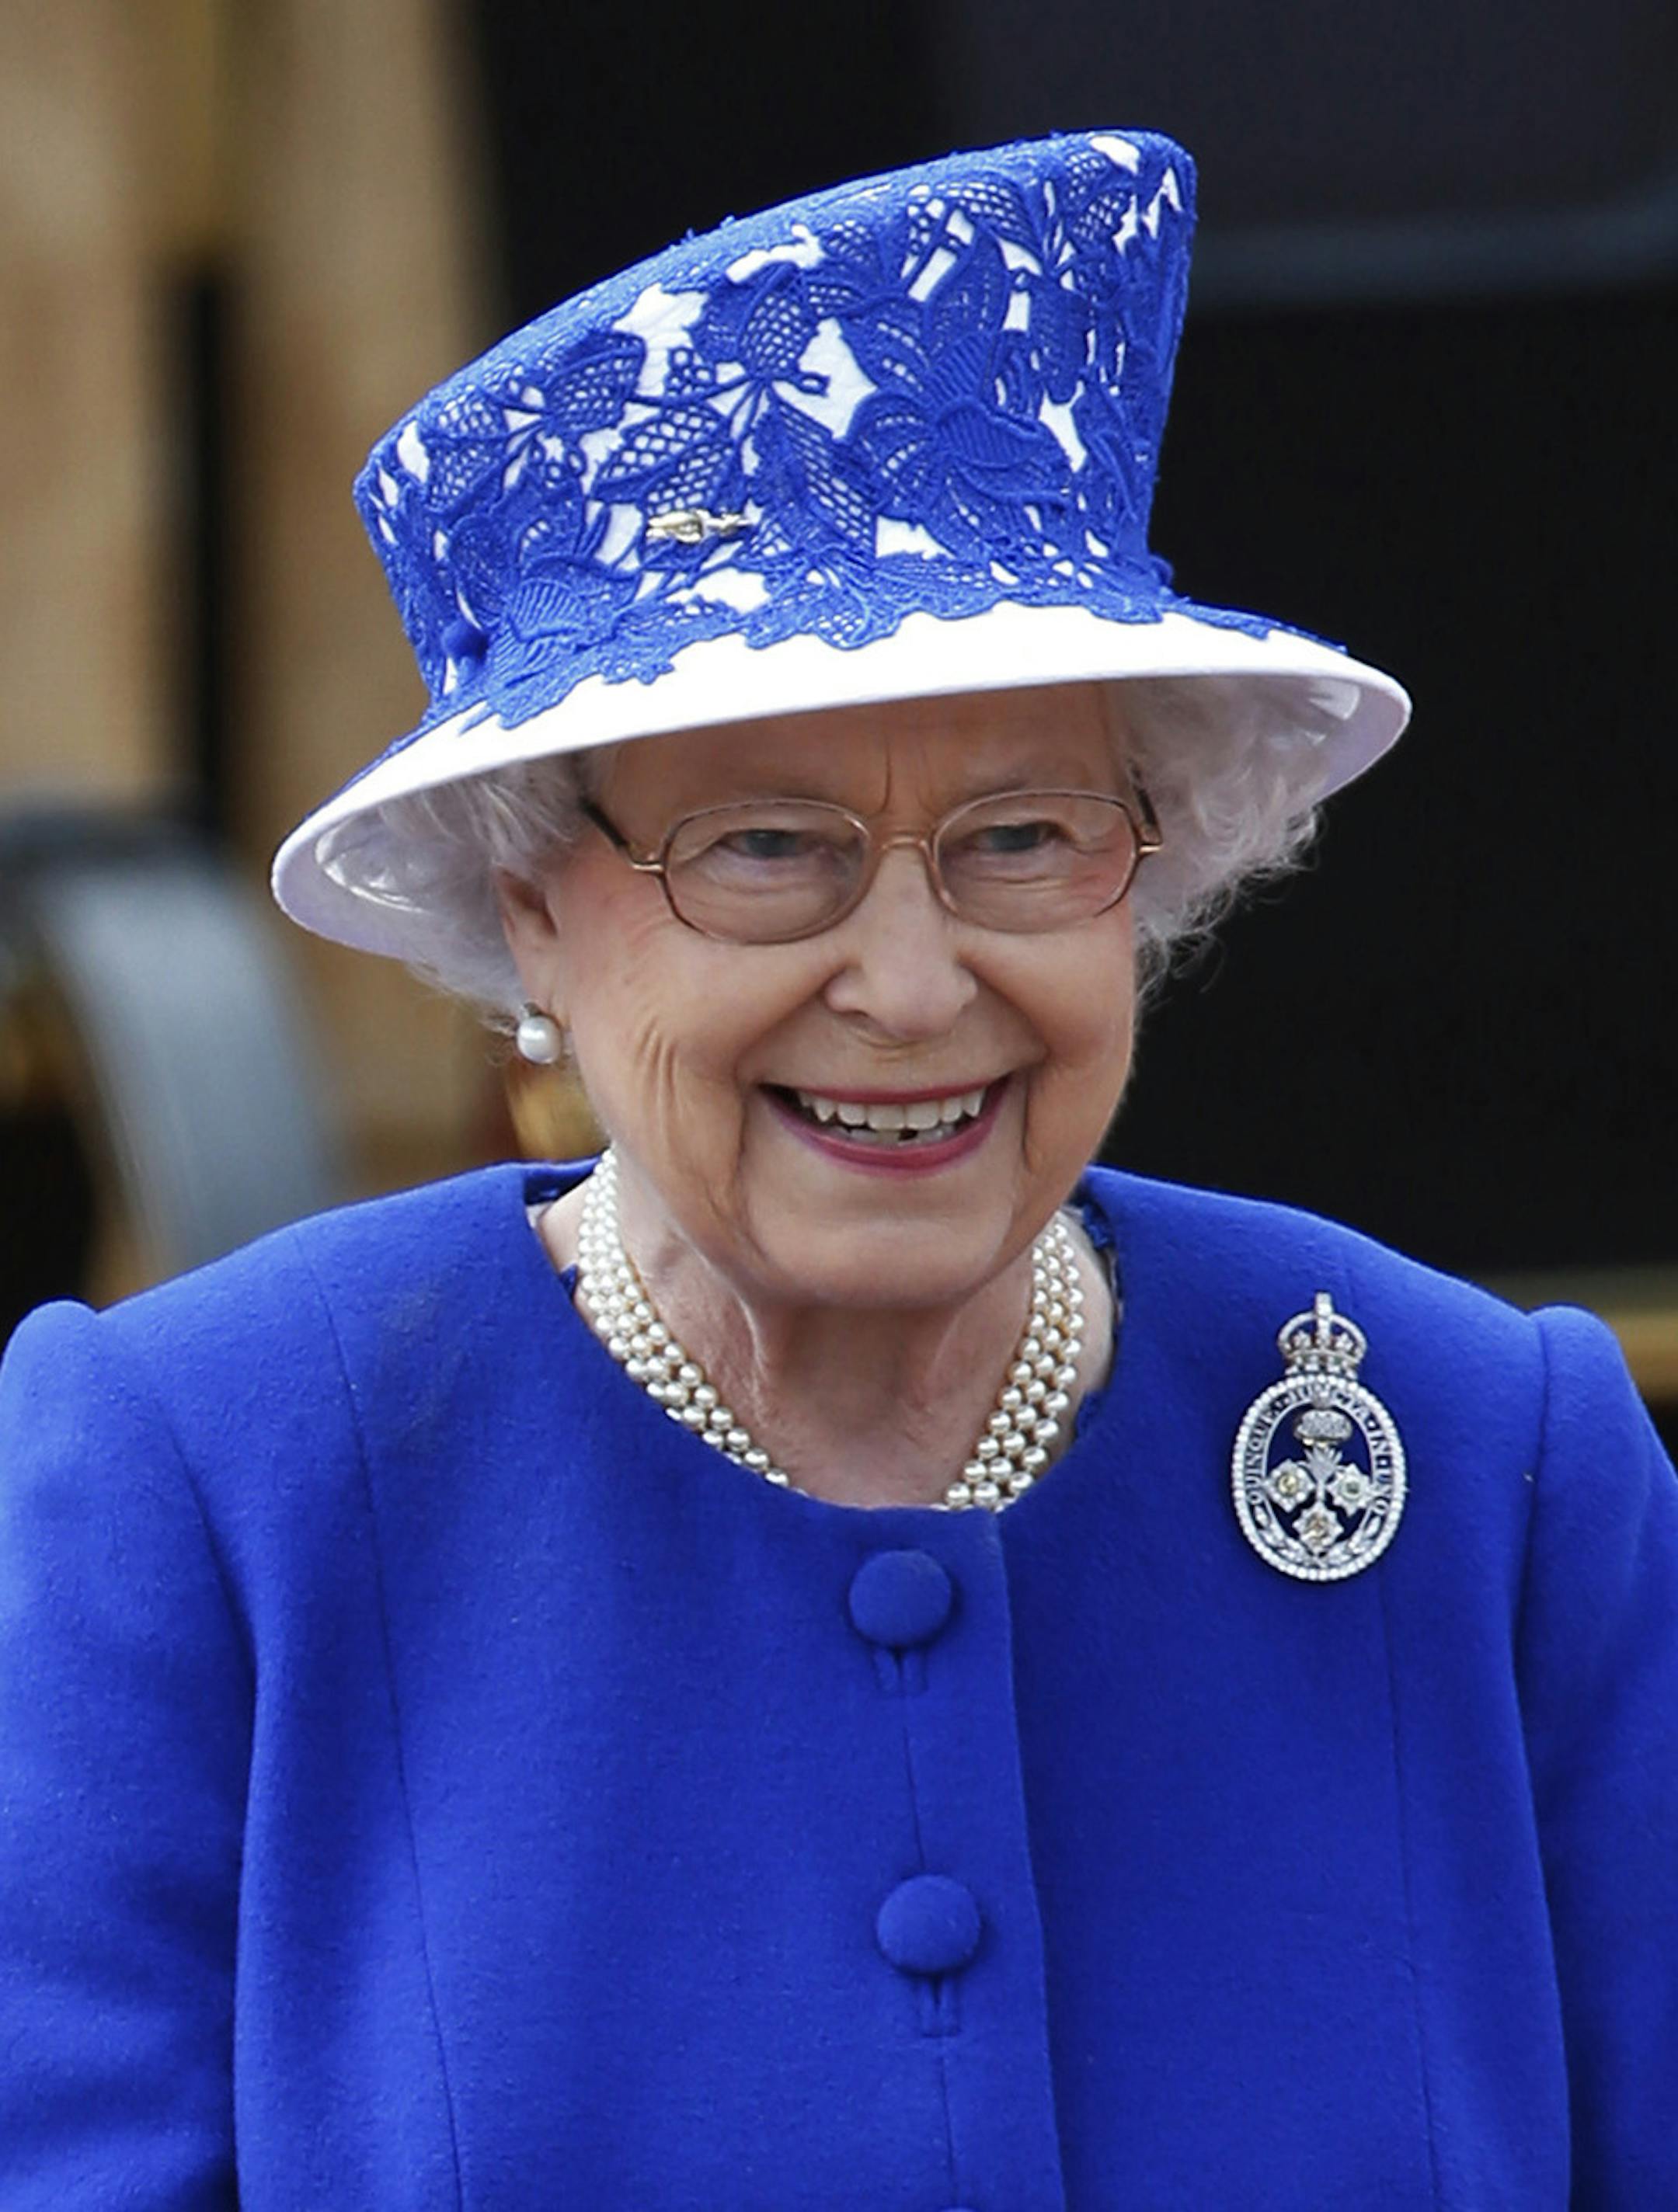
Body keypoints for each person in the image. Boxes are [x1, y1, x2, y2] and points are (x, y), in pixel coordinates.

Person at [2, 128, 1673, 2210]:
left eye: (1026, 837)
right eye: (765, 848)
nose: (910, 981)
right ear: (531, 906)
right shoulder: (201, 1484)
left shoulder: (1485, 1465)